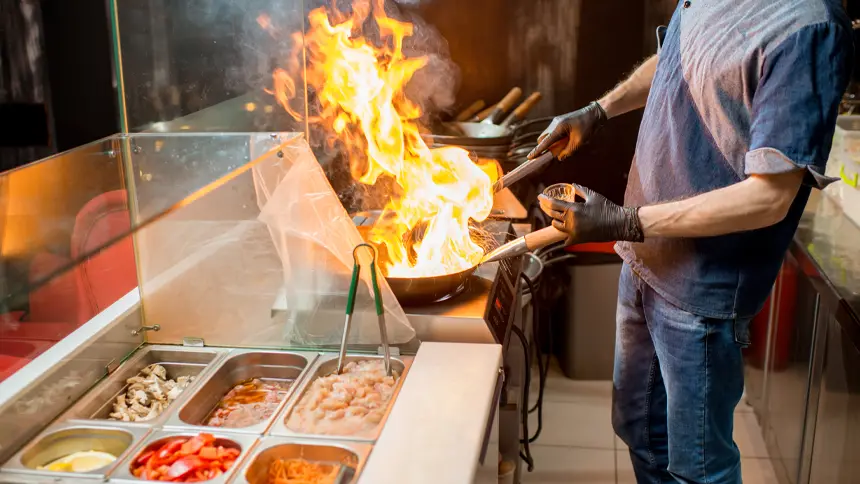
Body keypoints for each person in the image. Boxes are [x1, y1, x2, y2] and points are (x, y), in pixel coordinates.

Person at [527, 1, 854, 483]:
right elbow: (679, 56)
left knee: (698, 469)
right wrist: (599, 110)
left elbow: (770, 198)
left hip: (703, 290)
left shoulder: (808, 29)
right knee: (638, 430)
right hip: (643, 260)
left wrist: (624, 221)